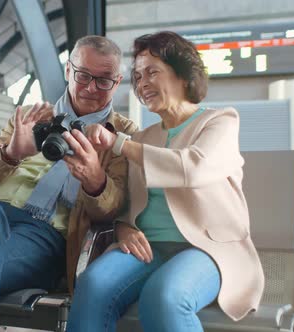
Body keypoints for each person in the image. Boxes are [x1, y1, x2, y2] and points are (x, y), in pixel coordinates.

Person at [0, 35, 137, 331]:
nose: (90, 87)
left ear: (118, 81)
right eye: (83, 75)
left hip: (46, 236)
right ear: (68, 70)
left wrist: (96, 181)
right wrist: (10, 154)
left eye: (103, 80)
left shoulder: (122, 135)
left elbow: (115, 209)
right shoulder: (32, 116)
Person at [66, 31, 264, 332]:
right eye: (137, 76)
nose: (143, 83)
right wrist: (125, 228)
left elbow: (192, 168)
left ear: (183, 75)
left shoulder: (220, 122)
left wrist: (119, 143)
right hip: (150, 248)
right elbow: (126, 204)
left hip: (207, 249)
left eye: (152, 72)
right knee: (92, 285)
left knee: (164, 296)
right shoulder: (144, 138)